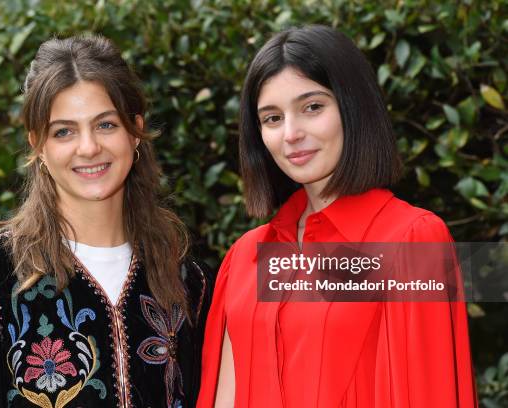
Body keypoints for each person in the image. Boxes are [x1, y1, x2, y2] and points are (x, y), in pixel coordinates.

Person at [0, 35, 212, 408]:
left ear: (135, 130)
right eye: (63, 131)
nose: (88, 147)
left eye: (106, 125)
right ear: (38, 145)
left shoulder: (190, 283)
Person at [197, 25, 477, 407]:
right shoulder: (245, 258)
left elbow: (430, 391)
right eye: (272, 118)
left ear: (353, 107)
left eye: (312, 107)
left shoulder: (412, 239)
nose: (291, 133)